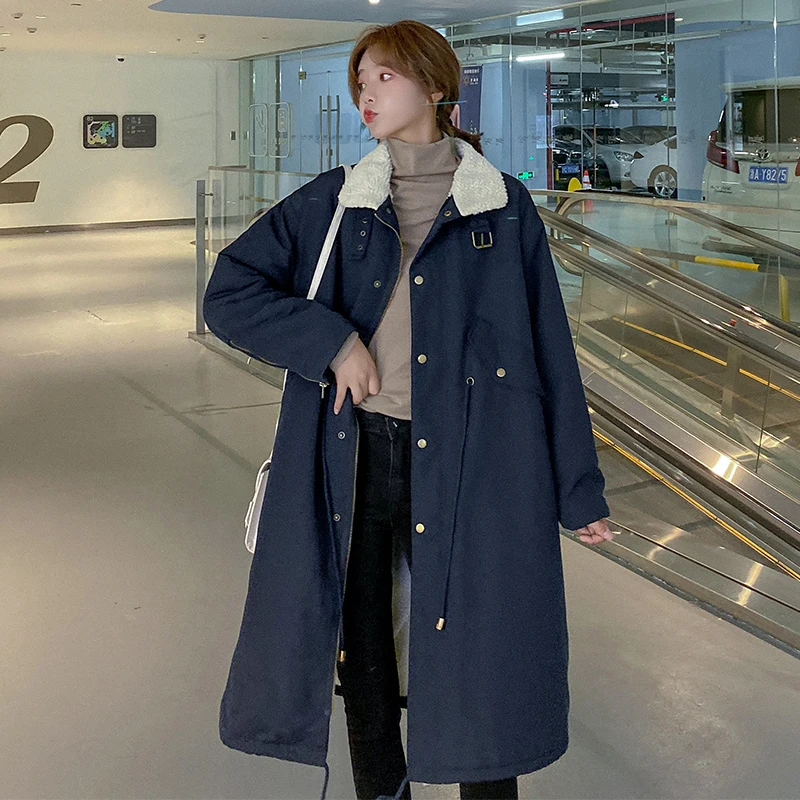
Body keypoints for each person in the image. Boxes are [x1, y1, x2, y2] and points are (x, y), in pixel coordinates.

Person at [203, 18, 613, 800]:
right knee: (365, 657)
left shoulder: (503, 208)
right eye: (360, 81)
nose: (366, 94)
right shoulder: (334, 201)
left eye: (383, 78)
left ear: (434, 85)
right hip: (359, 456)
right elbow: (229, 293)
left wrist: (577, 489)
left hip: (475, 465)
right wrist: (331, 343)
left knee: (479, 656)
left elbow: (549, 354)